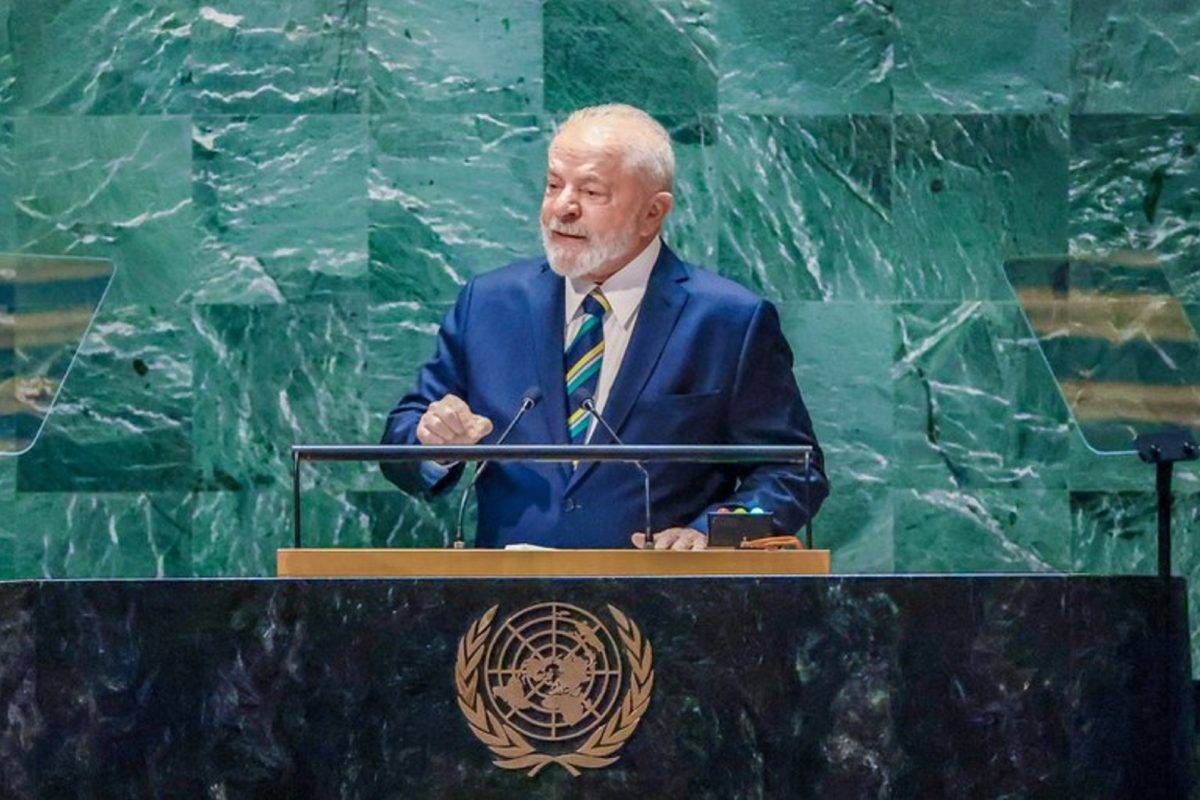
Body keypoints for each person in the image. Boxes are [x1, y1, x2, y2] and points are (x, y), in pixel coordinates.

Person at [380, 103, 827, 550]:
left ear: (653, 213)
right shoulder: (489, 304)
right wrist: (435, 444)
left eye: (592, 192)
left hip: (662, 589)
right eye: (554, 185)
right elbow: (402, 443)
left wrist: (710, 535)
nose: (562, 207)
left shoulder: (728, 321)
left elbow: (794, 472)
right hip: (510, 591)